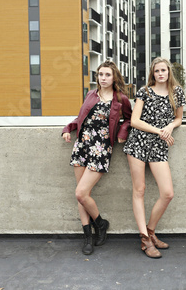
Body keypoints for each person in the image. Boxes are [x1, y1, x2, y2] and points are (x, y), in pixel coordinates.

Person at [62, 61, 132, 255]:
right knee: (80, 194)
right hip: (82, 145)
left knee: (81, 193)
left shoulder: (121, 99)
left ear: (114, 77)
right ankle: (88, 236)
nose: (103, 78)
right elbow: (81, 118)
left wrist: (123, 133)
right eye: (100, 74)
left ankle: (101, 224)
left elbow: (129, 119)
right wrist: (68, 129)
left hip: (101, 149)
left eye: (107, 74)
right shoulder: (91, 95)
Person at [123, 57, 186, 259]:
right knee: (139, 189)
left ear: (169, 72)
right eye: (157, 71)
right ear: (153, 73)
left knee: (167, 193)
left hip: (159, 146)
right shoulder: (144, 92)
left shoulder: (176, 93)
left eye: (164, 70)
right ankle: (144, 238)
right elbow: (134, 121)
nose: (161, 74)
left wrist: (170, 127)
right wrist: (159, 130)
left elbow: (178, 118)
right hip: (138, 142)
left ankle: (150, 231)